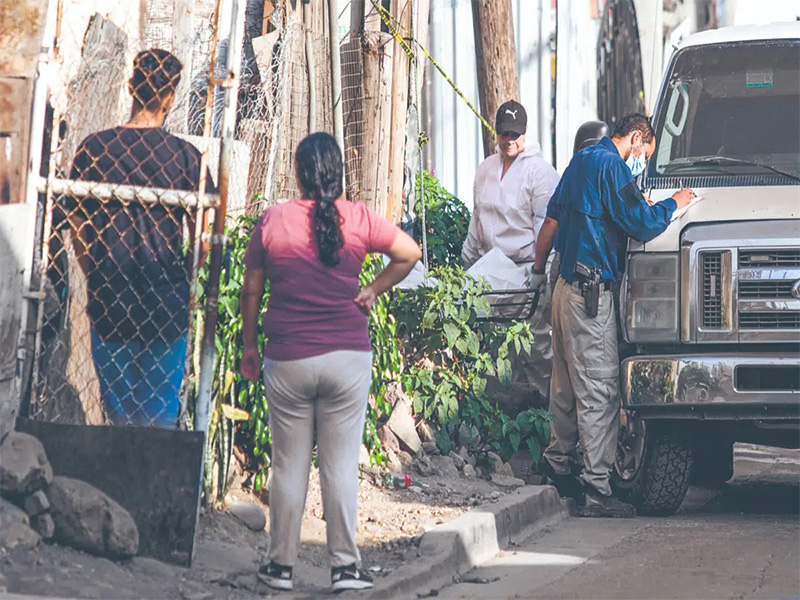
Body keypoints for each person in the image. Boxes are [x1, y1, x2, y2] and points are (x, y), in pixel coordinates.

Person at [240, 132, 421, 592]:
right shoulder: (358, 217)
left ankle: (280, 567)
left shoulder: (273, 220)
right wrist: (372, 290)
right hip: (347, 359)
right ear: (338, 172)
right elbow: (409, 252)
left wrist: (249, 346)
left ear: (299, 174)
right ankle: (344, 569)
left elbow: (251, 290)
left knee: (288, 466)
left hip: (288, 359)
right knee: (339, 468)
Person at [530, 114, 694, 517]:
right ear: (635, 138)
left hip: (563, 289)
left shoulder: (582, 160)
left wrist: (536, 271)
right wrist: (675, 203)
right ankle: (597, 491)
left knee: (564, 388)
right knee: (600, 393)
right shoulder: (613, 167)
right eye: (645, 154)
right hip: (590, 296)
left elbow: (551, 221)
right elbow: (641, 223)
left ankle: (558, 470)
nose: (642, 161)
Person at [63, 48, 211, 428]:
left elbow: (77, 223)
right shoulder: (186, 158)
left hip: (111, 296)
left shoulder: (95, 149)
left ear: (131, 87)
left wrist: (93, 268)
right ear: (170, 97)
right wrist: (188, 277)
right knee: (159, 420)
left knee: (119, 418)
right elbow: (205, 236)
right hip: (165, 301)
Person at [461, 100, 561, 401]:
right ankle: (503, 411)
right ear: (496, 133)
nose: (509, 140)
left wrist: (542, 273)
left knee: (536, 344)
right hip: (491, 272)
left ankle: (544, 408)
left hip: (527, 269)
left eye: (515, 134)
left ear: (525, 133)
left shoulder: (540, 173)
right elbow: (477, 218)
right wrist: (467, 262)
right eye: (504, 134)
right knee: (495, 345)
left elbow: (547, 226)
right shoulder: (486, 169)